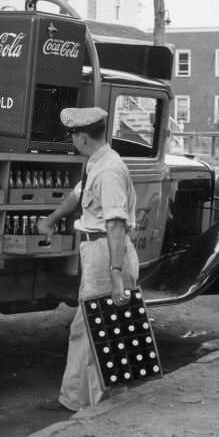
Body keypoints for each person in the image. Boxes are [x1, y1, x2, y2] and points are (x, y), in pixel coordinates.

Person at [36, 106, 139, 412]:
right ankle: (75, 400)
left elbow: (116, 224)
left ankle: (101, 408)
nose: (71, 141)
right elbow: (78, 195)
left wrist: (117, 275)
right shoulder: (98, 163)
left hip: (108, 252)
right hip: (97, 251)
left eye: (72, 136)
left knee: (103, 332)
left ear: (82, 137)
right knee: (86, 329)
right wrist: (51, 219)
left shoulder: (108, 171)